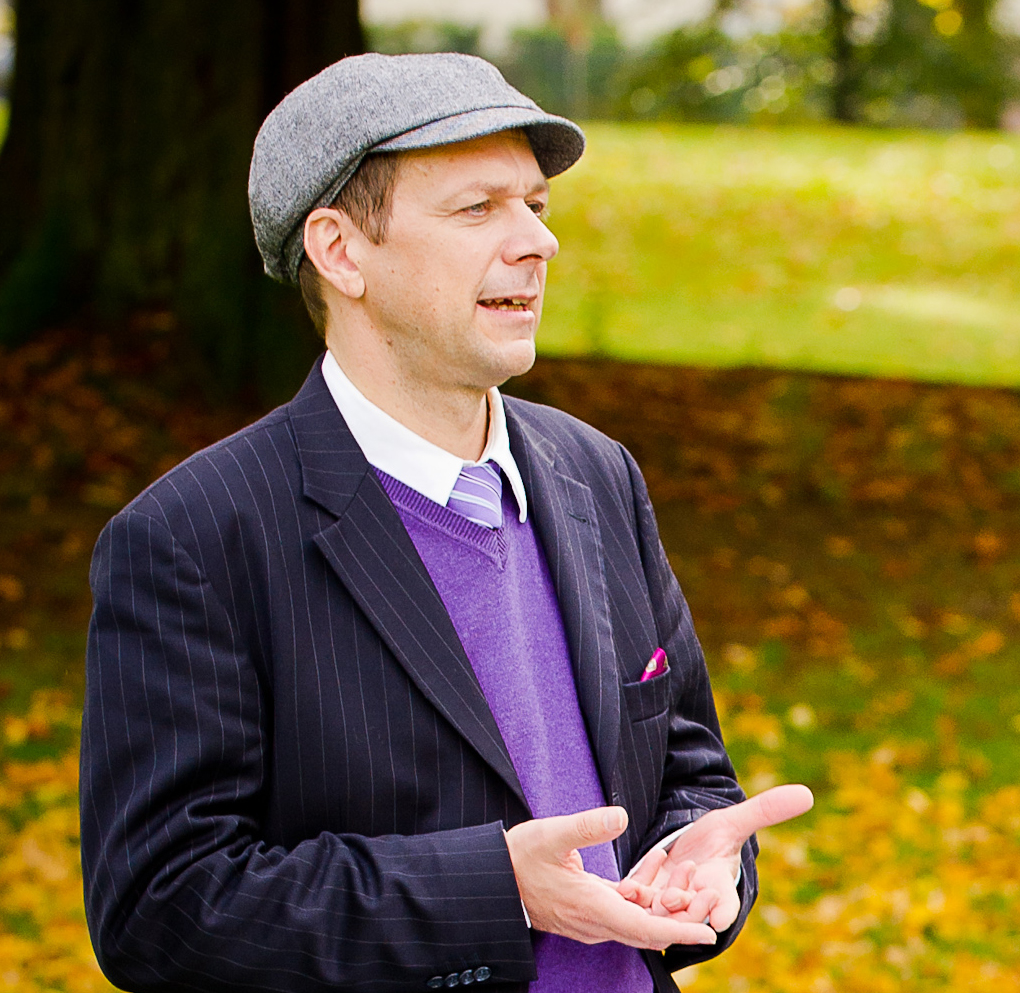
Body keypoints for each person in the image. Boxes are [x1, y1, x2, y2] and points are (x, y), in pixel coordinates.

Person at [80, 52, 812, 993]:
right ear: (341, 251)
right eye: (478, 209)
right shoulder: (193, 538)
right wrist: (494, 889)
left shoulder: (597, 475)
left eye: (536, 205)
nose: (538, 241)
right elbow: (160, 907)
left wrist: (701, 863)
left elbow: (687, 768)